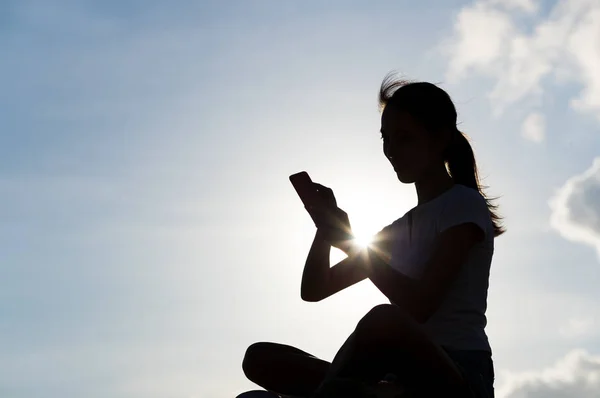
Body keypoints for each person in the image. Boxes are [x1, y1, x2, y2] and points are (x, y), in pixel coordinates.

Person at [240, 74, 504, 398]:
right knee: (261, 358)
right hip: (395, 376)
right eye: (386, 138)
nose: (391, 150)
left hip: (458, 375)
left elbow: (421, 305)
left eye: (404, 138)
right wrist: (325, 232)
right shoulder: (395, 231)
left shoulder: (463, 204)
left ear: (440, 139)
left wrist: (356, 248)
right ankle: (347, 390)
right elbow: (314, 289)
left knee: (383, 321)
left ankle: (338, 391)